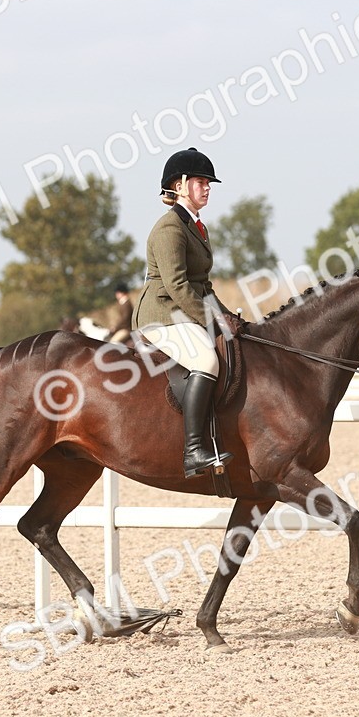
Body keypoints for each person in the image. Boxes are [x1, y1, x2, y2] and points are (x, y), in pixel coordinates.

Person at [132, 147, 234, 477]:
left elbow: (202, 285)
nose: (208, 188)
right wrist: (211, 320)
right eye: (202, 181)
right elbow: (177, 286)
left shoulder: (196, 227)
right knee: (207, 360)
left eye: (209, 183)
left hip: (181, 308)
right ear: (180, 185)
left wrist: (228, 316)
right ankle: (193, 451)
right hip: (161, 313)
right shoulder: (169, 229)